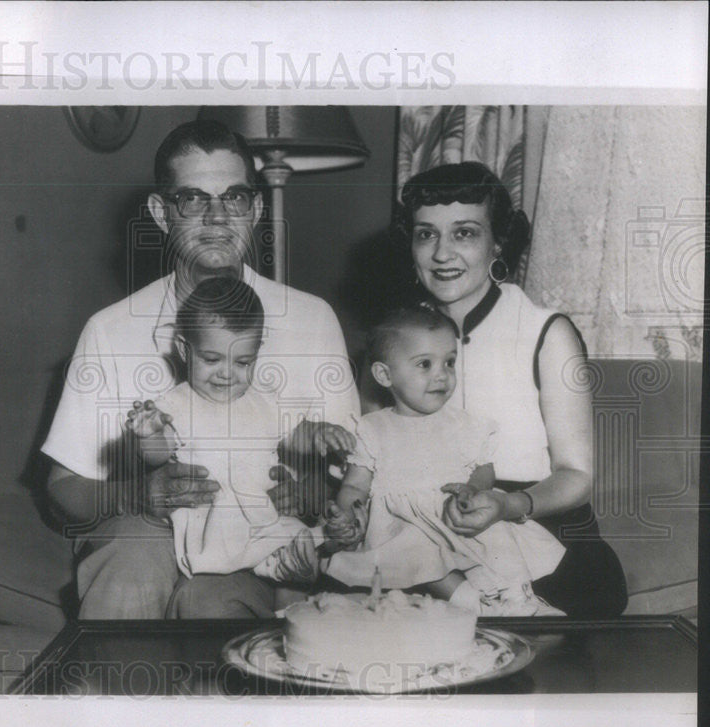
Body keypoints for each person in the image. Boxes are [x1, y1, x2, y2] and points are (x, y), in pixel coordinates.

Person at [42, 119, 359, 618]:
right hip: (141, 528)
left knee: (213, 604)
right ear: (161, 214)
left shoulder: (311, 319)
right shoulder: (109, 329)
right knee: (131, 561)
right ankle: (106, 691)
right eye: (192, 199)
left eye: (233, 197)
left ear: (255, 209)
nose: (216, 217)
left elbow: (352, 468)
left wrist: (309, 495)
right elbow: (63, 488)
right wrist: (137, 496)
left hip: (255, 540)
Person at [378, 161, 627, 618]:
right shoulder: (394, 339)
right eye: (426, 234)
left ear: (498, 242)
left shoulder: (546, 332)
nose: (442, 253)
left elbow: (576, 475)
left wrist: (509, 503)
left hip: (541, 530)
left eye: (465, 233)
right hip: (432, 540)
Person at [326, 306, 567, 615]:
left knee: (497, 536)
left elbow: (484, 469)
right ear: (384, 375)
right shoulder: (372, 428)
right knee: (418, 553)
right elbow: (356, 485)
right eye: (425, 364)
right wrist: (346, 514)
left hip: (454, 512)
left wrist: (473, 489)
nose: (442, 374)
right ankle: (475, 604)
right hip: (403, 525)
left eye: (449, 362)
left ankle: (518, 598)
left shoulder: (464, 424)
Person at [125, 276, 362, 585]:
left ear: (257, 353)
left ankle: (293, 558)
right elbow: (158, 456)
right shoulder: (177, 403)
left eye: (243, 362)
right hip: (212, 514)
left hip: (262, 508)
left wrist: (318, 432)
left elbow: (295, 433)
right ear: (185, 350)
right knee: (230, 545)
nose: (227, 373)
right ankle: (277, 564)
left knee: (294, 530)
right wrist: (150, 434)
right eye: (211, 359)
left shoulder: (263, 400)